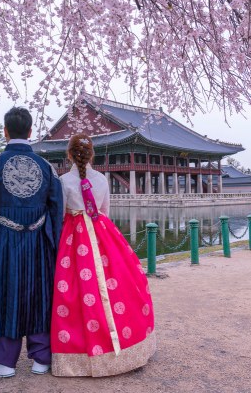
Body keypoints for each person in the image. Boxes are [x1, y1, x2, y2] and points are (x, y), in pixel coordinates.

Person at [0, 107, 63, 377]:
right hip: (40, 245)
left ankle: (3, 361)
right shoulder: (48, 168)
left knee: (2, 296)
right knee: (40, 295)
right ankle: (41, 358)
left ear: (5, 131)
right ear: (31, 132)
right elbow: (57, 214)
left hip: (3, 244)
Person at [51, 133, 156, 377]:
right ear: (92, 155)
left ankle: (78, 354)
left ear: (69, 154)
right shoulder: (102, 179)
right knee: (119, 282)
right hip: (103, 232)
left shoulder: (62, 181)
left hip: (73, 236)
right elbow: (105, 210)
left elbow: (58, 215)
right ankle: (125, 346)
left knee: (76, 288)